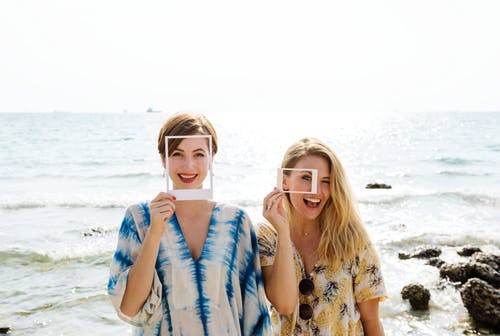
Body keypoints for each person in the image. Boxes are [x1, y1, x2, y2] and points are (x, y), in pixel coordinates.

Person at [108, 112, 271, 336]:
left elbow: (255, 313)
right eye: (177, 154)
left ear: (212, 157)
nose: (188, 164)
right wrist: (155, 233)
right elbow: (129, 307)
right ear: (163, 158)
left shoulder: (236, 221)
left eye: (198, 154)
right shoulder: (138, 218)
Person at [257, 137, 387, 335]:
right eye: (306, 178)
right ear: (284, 180)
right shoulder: (267, 236)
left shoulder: (352, 239)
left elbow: (371, 321)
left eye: (325, 181)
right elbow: (284, 304)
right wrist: (283, 233)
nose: (316, 190)